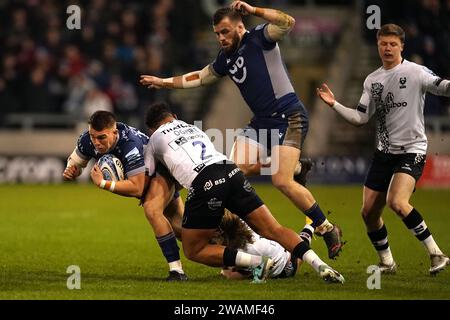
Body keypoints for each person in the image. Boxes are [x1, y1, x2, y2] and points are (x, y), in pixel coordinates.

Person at [139, 1, 343, 259]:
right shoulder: (225, 58)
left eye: (225, 31)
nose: (221, 38)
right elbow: (200, 77)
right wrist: (163, 83)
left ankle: (326, 227)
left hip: (289, 116)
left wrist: (255, 11)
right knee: (233, 171)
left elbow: (287, 22)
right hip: (261, 121)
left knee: (281, 180)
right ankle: (295, 168)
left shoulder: (261, 38)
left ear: (239, 26)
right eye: (217, 34)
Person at [143, 102, 345, 284]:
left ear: (152, 129)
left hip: (205, 180)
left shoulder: (154, 139)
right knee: (273, 229)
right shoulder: (193, 128)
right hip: (230, 170)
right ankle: (321, 266)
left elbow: (148, 177)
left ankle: (256, 262)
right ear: (174, 117)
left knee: (193, 249)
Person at [316, 24, 450, 275]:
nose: (387, 48)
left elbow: (442, 87)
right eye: (383, 44)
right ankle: (387, 262)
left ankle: (437, 254)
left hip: (411, 149)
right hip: (384, 153)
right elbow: (360, 118)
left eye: (392, 44)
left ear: (402, 46)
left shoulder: (416, 72)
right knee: (368, 213)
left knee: (397, 202)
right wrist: (334, 104)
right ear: (378, 45)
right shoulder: (372, 80)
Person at [62, 110, 188, 281]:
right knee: (185, 232)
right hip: (146, 178)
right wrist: (72, 170)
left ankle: (177, 272)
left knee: (152, 210)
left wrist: (103, 184)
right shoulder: (87, 139)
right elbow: (76, 162)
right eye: (93, 136)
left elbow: (137, 188)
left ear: (114, 133)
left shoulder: (131, 144)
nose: (96, 143)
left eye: (101, 138)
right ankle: (228, 247)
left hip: (161, 172)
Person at [211, 211, 301, 280]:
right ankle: (311, 226)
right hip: (279, 248)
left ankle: (311, 225)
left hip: (286, 267)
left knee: (229, 274)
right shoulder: (241, 222)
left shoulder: (242, 251)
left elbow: (261, 270)